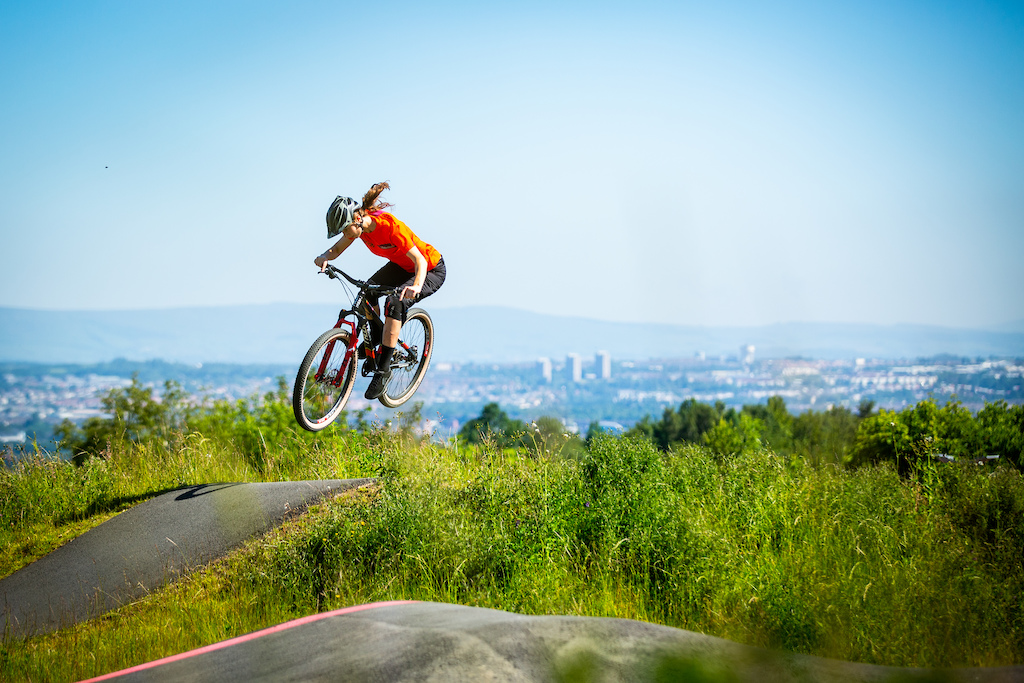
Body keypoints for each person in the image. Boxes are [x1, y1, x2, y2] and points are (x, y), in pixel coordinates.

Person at [314, 182, 446, 400]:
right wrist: (324, 258)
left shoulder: (389, 227)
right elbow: (336, 249)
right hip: (402, 266)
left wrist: (415, 286)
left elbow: (420, 262)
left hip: (430, 268)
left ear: (357, 219)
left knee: (396, 302)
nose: (346, 234)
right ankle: (375, 337)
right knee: (367, 293)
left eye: (345, 229)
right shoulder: (359, 230)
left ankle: (383, 371)